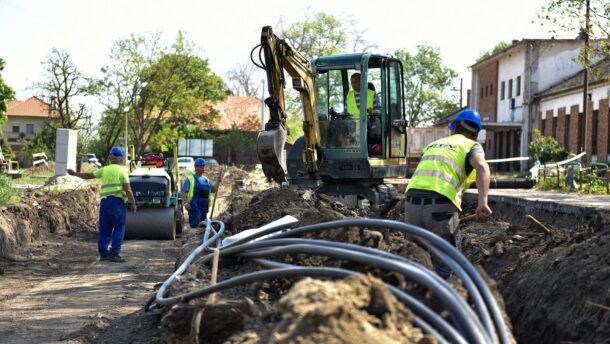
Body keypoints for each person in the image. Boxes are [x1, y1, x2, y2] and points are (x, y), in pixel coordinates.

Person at [404, 109, 492, 278]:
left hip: (411, 204)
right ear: (475, 134)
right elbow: (482, 167)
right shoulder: (471, 146)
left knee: (414, 262)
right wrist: (483, 202)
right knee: (446, 265)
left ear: (453, 128)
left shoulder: (433, 145)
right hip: (440, 206)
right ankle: (445, 301)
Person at [68, 147, 136, 263]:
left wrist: (74, 174)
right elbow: (128, 189)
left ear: (110, 158)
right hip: (117, 203)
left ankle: (104, 254)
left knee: (105, 228)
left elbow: (88, 176)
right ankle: (114, 254)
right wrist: (132, 203)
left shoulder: (104, 169)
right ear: (121, 158)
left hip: (105, 202)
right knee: (119, 227)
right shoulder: (122, 170)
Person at [181, 158, 214, 228]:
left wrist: (218, 181)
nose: (203, 168)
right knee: (195, 227)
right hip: (194, 207)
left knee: (203, 227)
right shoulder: (190, 179)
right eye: (201, 166)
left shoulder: (206, 179)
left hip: (204, 207)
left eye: (203, 166)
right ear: (196, 167)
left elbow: (214, 190)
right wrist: (186, 203)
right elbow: (183, 191)